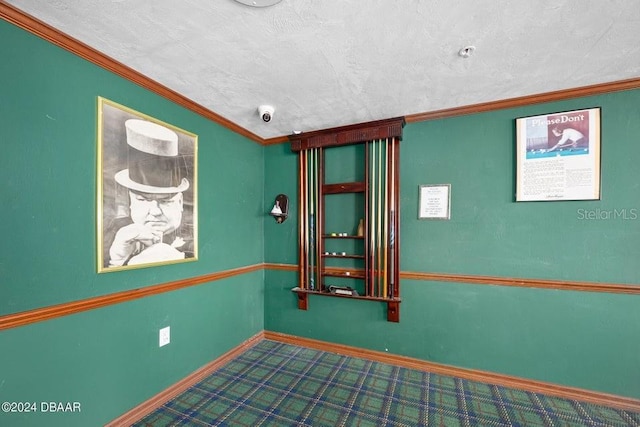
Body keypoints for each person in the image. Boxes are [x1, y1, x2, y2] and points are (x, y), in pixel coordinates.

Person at [104, 119, 193, 268]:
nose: (155, 211)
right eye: (143, 199)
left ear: (180, 203)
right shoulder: (110, 236)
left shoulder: (195, 240)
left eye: (166, 201)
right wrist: (116, 264)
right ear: (130, 202)